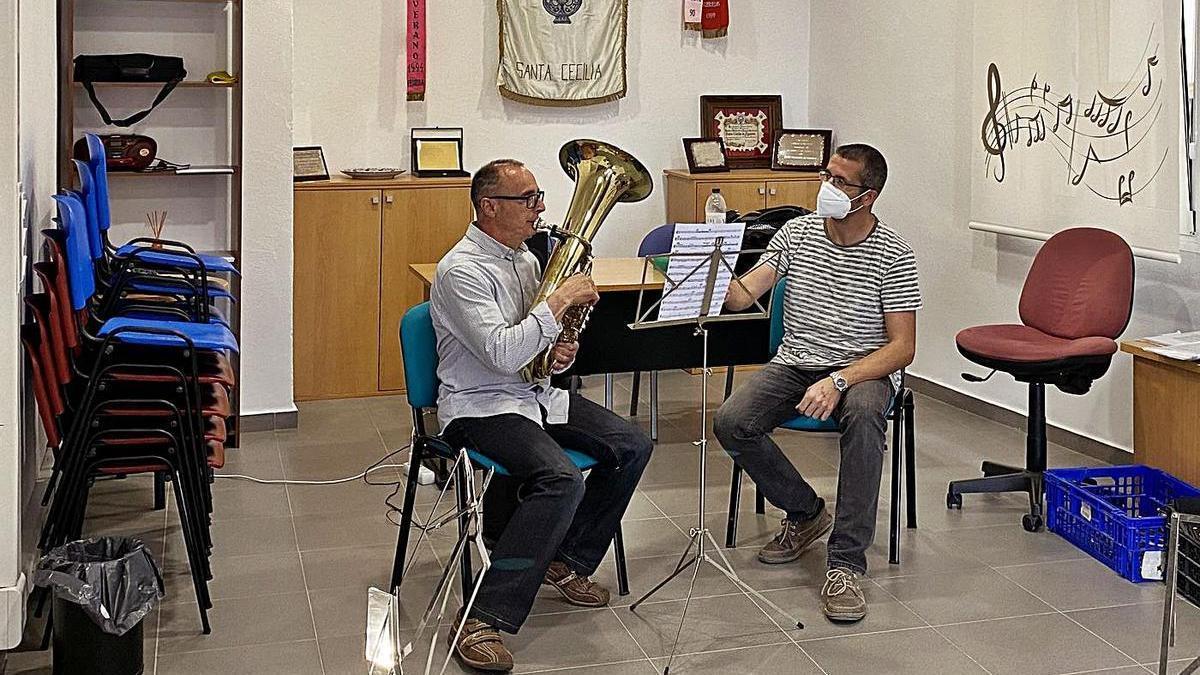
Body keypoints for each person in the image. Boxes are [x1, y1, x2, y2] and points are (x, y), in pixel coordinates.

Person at [430, 158, 653, 672]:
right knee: (561, 478)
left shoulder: (526, 260)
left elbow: (529, 353)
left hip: (532, 394)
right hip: (478, 404)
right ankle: (479, 618)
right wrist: (556, 305)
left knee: (632, 445)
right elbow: (502, 354)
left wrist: (558, 349)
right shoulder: (460, 270)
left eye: (538, 196)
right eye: (527, 199)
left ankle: (565, 558)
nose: (541, 208)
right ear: (489, 207)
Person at [714, 143, 920, 623]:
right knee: (732, 421)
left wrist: (841, 380)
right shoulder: (798, 232)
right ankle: (806, 513)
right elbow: (744, 298)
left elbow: (902, 348)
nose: (827, 187)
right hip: (796, 362)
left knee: (867, 415)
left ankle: (846, 563)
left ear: (866, 196)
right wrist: (710, 266)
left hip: (863, 367)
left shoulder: (895, 252)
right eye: (827, 175)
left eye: (840, 181)